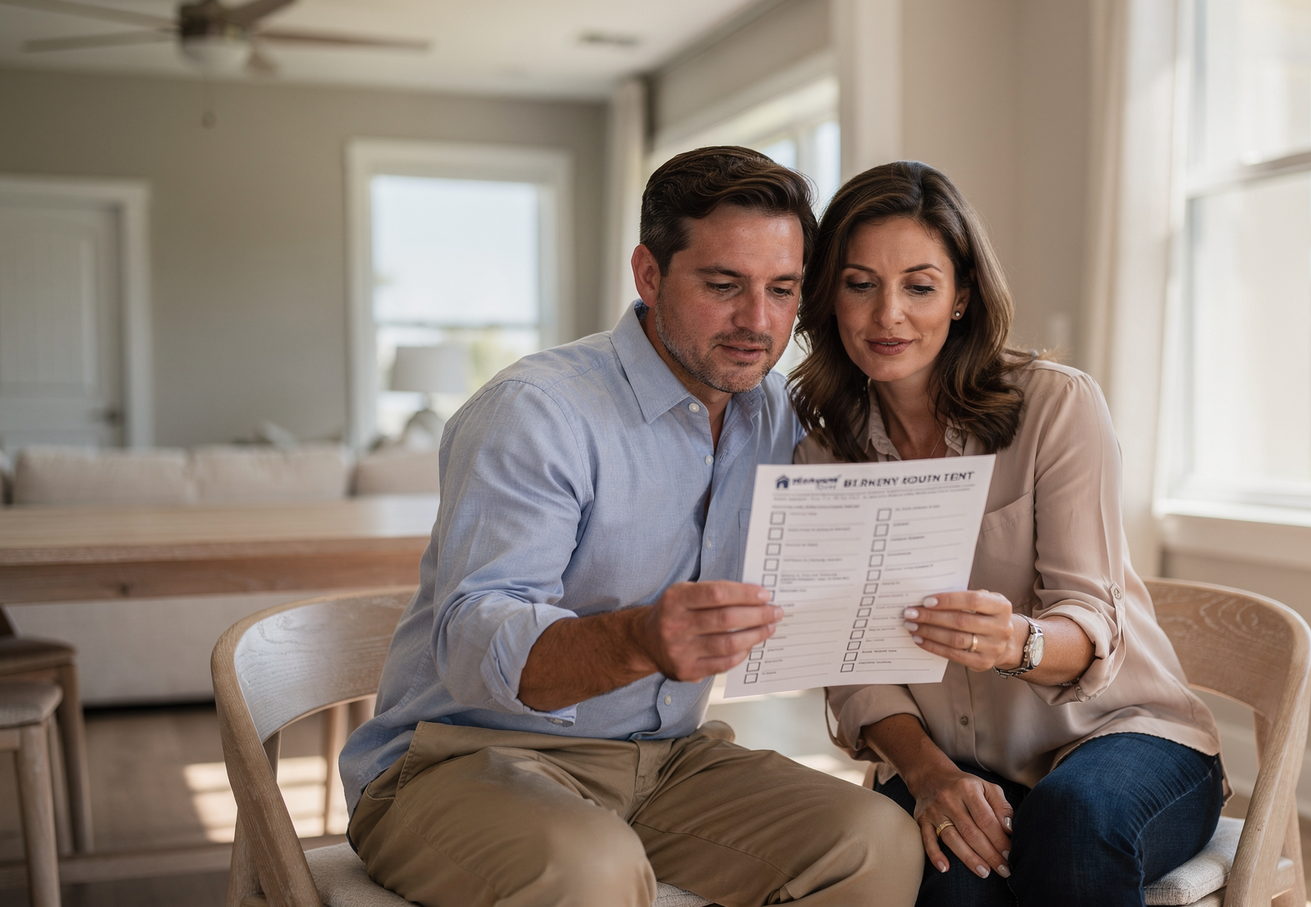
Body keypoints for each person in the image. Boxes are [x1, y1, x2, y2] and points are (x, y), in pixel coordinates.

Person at [340, 146, 923, 907]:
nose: (758, 320)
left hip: (670, 759)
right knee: (592, 869)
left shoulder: (778, 414)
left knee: (875, 839)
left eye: (783, 289)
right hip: (461, 760)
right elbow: (473, 636)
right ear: (648, 275)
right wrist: (640, 638)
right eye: (723, 285)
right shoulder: (537, 412)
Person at [789, 160, 1227, 907]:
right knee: (941, 882)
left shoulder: (1057, 407)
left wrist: (1016, 642)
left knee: (1072, 820)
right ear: (829, 293)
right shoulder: (822, 452)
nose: (887, 314)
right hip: (951, 758)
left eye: (919, 285)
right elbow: (853, 664)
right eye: (860, 283)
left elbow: (1091, 619)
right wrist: (929, 774)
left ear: (960, 296)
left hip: (1124, 732)